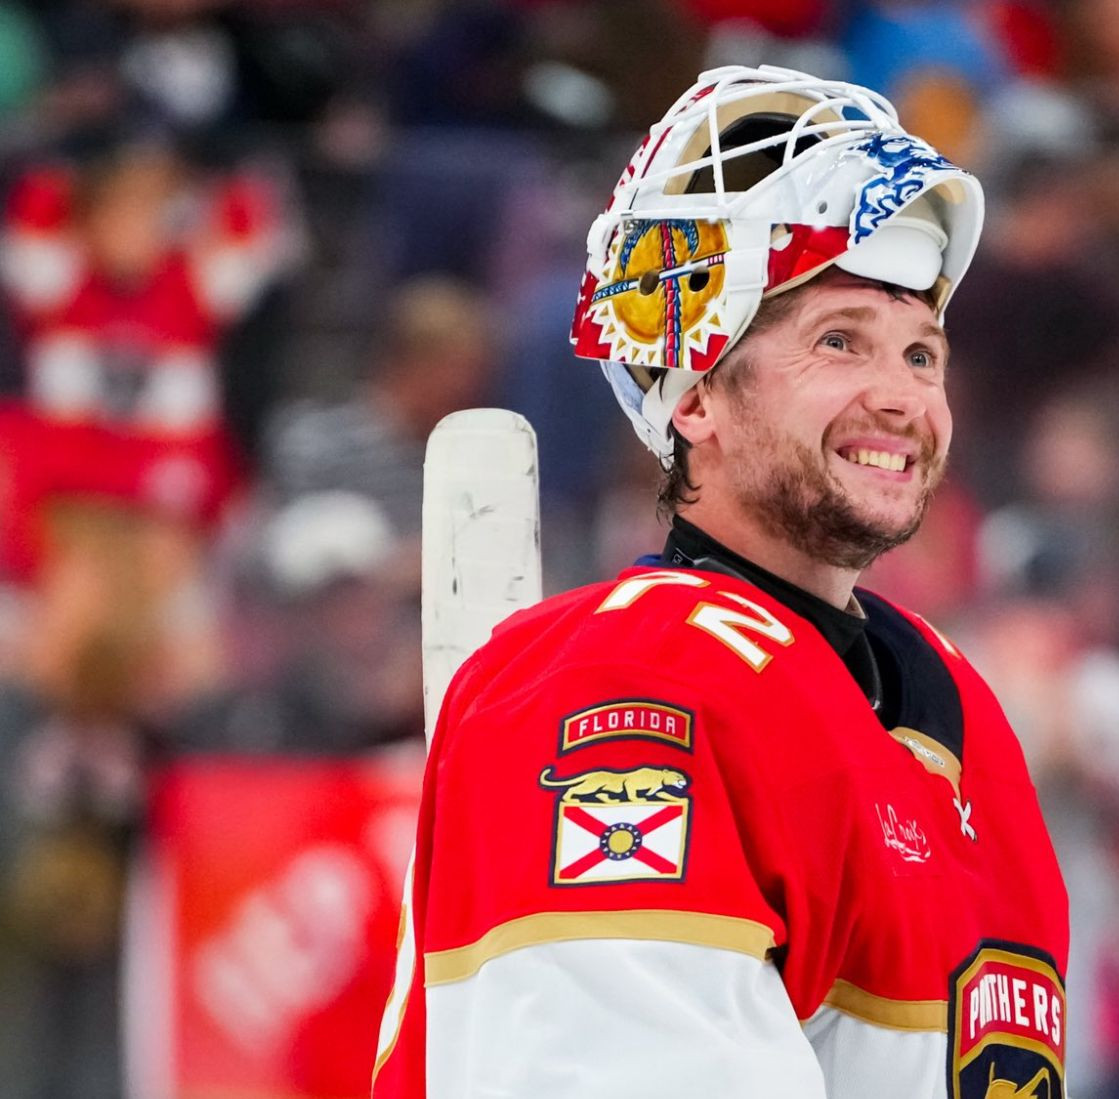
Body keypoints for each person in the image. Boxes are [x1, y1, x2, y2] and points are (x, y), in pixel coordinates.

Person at [371, 65, 1071, 1098]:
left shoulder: (950, 702)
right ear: (696, 393)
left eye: (922, 355)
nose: (902, 397)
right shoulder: (620, 686)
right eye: (840, 341)